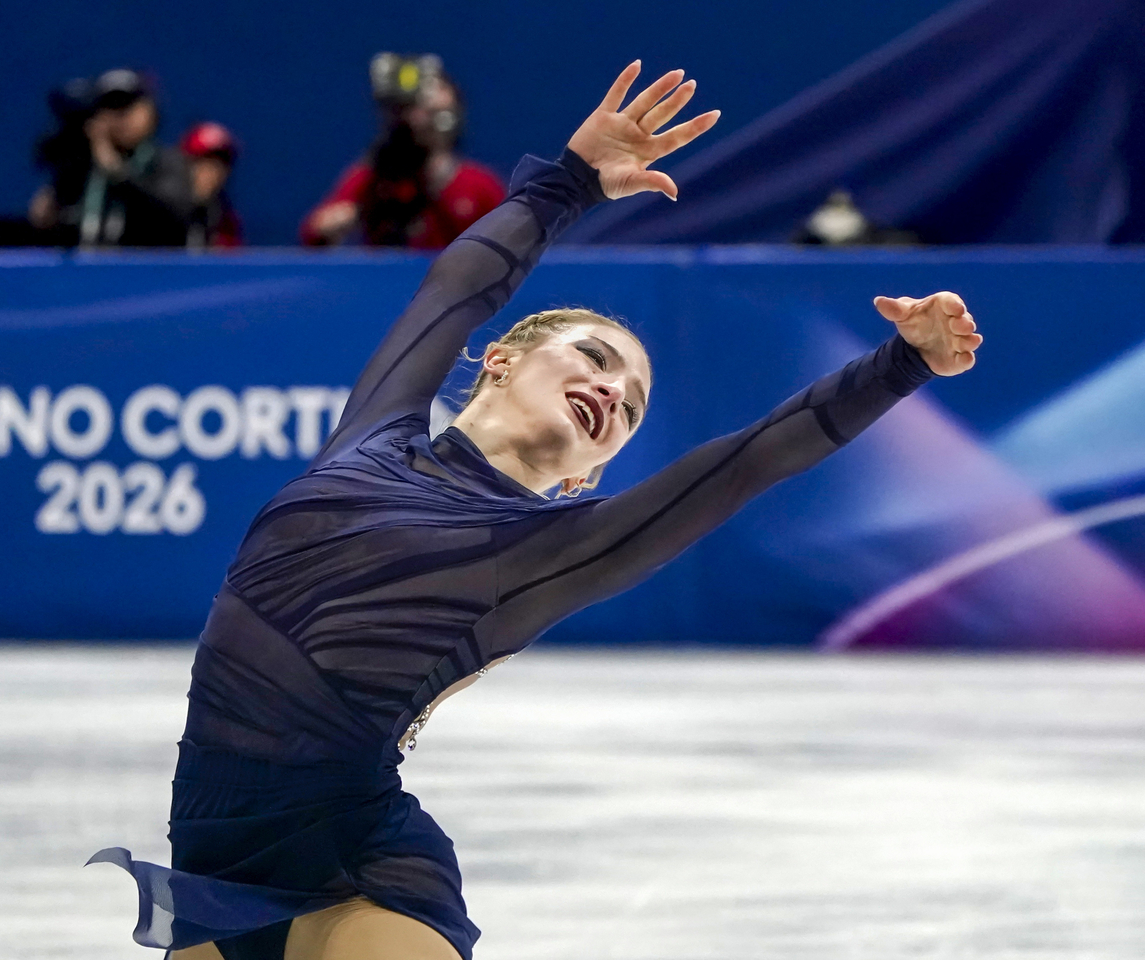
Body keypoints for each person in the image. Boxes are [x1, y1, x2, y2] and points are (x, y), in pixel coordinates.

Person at [90, 62, 983, 960]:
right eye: (593, 357)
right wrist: (567, 184)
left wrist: (898, 366)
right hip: (214, 868)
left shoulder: (547, 553)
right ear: (502, 363)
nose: (611, 390)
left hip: (358, 872)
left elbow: (746, 465)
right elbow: (458, 290)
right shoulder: (374, 434)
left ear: (585, 478)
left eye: (630, 405)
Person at [301, 54, 506, 248]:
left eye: (416, 109)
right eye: (397, 111)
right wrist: (339, 221)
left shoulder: (479, 186)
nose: (408, 121)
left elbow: (515, 252)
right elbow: (315, 234)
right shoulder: (372, 179)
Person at [28, 69, 195, 247]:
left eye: (128, 106)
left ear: (150, 111)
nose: (121, 117)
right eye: (111, 106)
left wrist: (117, 173)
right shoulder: (81, 167)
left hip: (144, 271)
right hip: (87, 271)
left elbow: (174, 217)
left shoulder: (167, 161)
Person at [179, 121, 243, 248]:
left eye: (219, 165)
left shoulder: (226, 222)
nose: (211, 173)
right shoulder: (156, 213)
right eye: (202, 163)